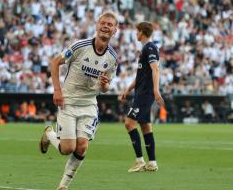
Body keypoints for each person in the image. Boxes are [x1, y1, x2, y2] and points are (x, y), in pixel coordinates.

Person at [39, 11, 118, 190]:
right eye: (103, 23)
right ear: (97, 26)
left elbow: (105, 88)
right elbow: (54, 63)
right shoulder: (80, 46)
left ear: (115, 30)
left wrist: (105, 85)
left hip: (89, 104)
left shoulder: (112, 58)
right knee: (67, 148)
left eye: (110, 24)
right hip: (68, 101)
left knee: (81, 147)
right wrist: (57, 90)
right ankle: (49, 134)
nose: (106, 26)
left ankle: (63, 186)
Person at [120, 22, 164, 172]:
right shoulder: (145, 49)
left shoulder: (150, 47)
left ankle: (139, 160)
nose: (135, 34)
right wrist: (128, 88)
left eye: (137, 31)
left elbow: (155, 69)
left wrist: (156, 90)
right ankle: (152, 163)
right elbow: (141, 75)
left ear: (142, 32)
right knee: (145, 126)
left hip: (146, 93)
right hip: (141, 91)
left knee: (129, 123)